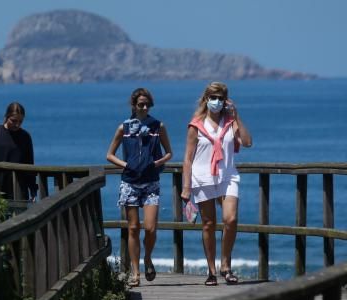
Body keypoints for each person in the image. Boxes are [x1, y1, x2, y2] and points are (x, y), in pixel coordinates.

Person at [181, 81, 253, 285]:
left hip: (228, 176)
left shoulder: (230, 122)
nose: (217, 101)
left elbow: (247, 142)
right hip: (202, 177)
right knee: (208, 224)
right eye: (213, 97)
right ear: (206, 99)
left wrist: (236, 115)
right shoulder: (196, 125)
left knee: (230, 219)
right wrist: (186, 187)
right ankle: (211, 271)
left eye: (221, 98)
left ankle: (226, 266)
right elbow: (188, 158)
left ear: (226, 100)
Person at [105, 87, 173, 287]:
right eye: (141, 104)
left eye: (147, 104)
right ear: (134, 105)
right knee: (133, 228)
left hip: (151, 182)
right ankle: (135, 272)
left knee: (150, 228)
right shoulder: (123, 128)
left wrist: (155, 163)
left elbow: (169, 153)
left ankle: (148, 257)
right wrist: (127, 165)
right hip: (130, 183)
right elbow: (109, 155)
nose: (144, 108)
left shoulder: (157, 126)